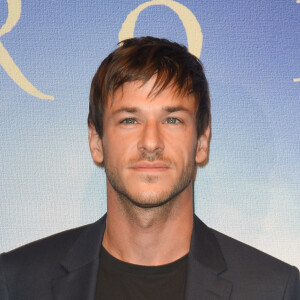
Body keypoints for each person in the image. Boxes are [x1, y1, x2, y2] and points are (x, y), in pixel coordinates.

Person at [0, 36, 299, 300]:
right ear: (96, 141)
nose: (151, 142)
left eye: (172, 119)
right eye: (129, 119)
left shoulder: (273, 289)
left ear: (202, 141)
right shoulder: (16, 282)